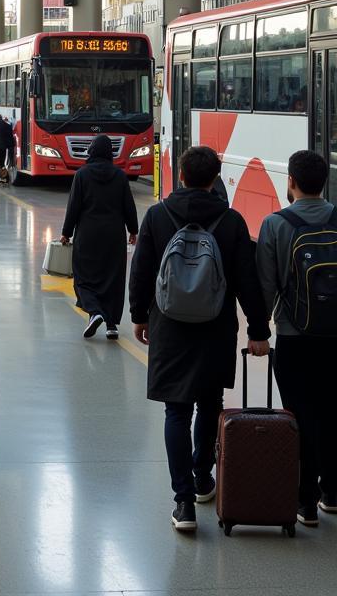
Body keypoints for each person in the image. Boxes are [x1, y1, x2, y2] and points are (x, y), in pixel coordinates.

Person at [129, 145, 270, 532]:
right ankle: (203, 477)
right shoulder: (231, 221)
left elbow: (140, 273)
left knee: (176, 410)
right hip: (215, 326)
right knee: (210, 404)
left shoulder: (157, 216)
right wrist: (259, 331)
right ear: (215, 178)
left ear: (180, 172)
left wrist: (139, 316)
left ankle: (183, 502)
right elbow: (247, 282)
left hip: (169, 326)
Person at [255, 149, 337, 526]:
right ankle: (332, 492)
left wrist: (261, 331)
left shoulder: (275, 224)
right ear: (324, 182)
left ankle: (305, 502)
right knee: (332, 410)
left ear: (290, 181)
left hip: (294, 334)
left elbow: (267, 286)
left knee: (300, 415)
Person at [59, 134, 138, 339]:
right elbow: (128, 205)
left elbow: (73, 207)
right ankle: (111, 325)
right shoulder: (120, 176)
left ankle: (95, 313)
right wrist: (133, 230)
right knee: (112, 278)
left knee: (83, 278)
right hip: (114, 235)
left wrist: (66, 233)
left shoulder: (82, 175)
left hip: (88, 234)